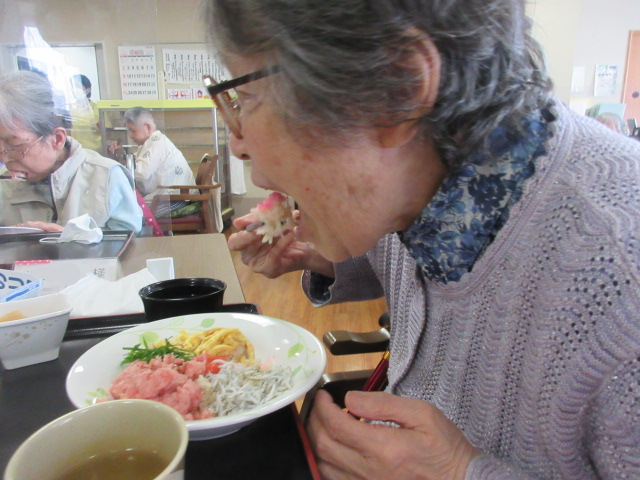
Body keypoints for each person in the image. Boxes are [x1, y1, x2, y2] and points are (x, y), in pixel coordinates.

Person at [204, 1, 640, 479]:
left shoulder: (621, 270)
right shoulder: (424, 172)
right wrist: (318, 255)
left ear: (397, 88)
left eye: (244, 99)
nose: (239, 143)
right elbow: (417, 262)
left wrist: (462, 473)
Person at [0, 70, 143, 233]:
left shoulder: (106, 176)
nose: (4, 158)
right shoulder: (4, 184)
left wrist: (74, 240)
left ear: (57, 139)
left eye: (14, 145)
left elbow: (131, 246)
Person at [121, 107, 195, 209]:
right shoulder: (150, 143)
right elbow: (135, 165)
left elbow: (140, 173)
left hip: (177, 199)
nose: (130, 135)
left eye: (133, 131)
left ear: (147, 127)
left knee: (133, 219)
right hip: (169, 197)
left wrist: (120, 166)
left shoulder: (157, 142)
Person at [68, 74, 103, 152]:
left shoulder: (98, 109)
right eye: (72, 86)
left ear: (87, 89)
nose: (74, 89)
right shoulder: (69, 109)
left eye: (77, 86)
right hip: (76, 151)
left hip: (96, 152)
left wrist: (98, 125)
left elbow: (108, 133)